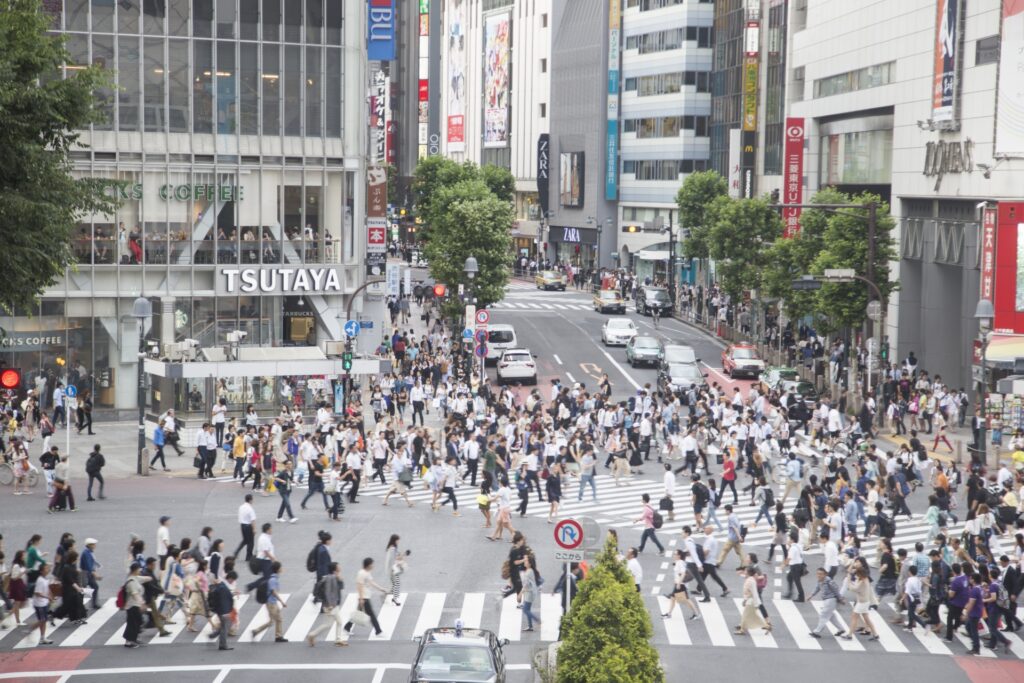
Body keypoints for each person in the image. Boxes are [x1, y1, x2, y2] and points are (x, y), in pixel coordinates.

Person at [343, 557, 388, 636]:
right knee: (371, 614)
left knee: (358, 614)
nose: (373, 566)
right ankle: (378, 631)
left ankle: (347, 628)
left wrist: (381, 589)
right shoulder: (362, 573)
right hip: (364, 597)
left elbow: (371, 583)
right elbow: (359, 586)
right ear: (368, 565)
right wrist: (361, 598)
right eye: (372, 564)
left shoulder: (367, 573)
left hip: (365, 597)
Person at [307, 562, 348, 647]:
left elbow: (340, 588)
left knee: (335, 622)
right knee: (329, 624)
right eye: (338, 566)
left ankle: (337, 639)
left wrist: (340, 579)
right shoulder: (331, 578)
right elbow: (328, 592)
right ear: (335, 569)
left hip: (332, 604)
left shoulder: (334, 577)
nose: (340, 567)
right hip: (331, 605)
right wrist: (330, 605)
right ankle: (312, 635)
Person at [250, 561, 288, 642]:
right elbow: (273, 592)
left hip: (273, 603)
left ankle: (278, 636)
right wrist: (282, 602)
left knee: (278, 619)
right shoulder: (273, 580)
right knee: (273, 621)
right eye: (281, 567)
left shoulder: (274, 578)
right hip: (271, 603)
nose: (282, 569)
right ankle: (276, 636)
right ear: (278, 569)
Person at [808, 567, 844, 638]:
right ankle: (841, 629)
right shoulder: (819, 581)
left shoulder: (829, 581)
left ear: (825, 575)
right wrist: (811, 595)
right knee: (831, 617)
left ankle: (816, 631)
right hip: (826, 600)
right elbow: (817, 588)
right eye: (818, 574)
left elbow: (836, 590)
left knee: (823, 615)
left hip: (831, 600)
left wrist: (840, 599)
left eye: (821, 574)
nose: (819, 575)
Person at [735, 566, 771, 636]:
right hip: (751, 601)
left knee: (745, 616)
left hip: (751, 601)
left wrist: (745, 600)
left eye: (745, 571)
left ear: (748, 573)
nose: (744, 571)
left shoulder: (750, 581)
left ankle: (742, 630)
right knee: (752, 616)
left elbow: (753, 593)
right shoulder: (750, 579)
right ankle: (767, 626)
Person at [121, 561, 149, 648]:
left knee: (138, 622)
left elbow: (144, 579)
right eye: (139, 569)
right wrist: (142, 603)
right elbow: (135, 594)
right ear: (135, 570)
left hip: (135, 605)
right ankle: (128, 641)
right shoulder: (131, 581)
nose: (140, 570)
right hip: (132, 606)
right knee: (133, 623)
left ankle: (134, 638)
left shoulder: (135, 578)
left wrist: (151, 578)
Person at [207, 570, 236, 650]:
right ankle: (222, 644)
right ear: (230, 578)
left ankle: (214, 635)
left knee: (225, 625)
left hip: (220, 609)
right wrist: (225, 612)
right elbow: (224, 601)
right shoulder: (223, 587)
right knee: (226, 625)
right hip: (223, 610)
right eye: (233, 580)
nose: (232, 582)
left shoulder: (222, 585)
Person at [30, 562, 54, 645]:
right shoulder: (40, 580)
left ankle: (42, 637)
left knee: (44, 620)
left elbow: (47, 588)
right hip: (39, 604)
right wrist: (48, 597)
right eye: (46, 569)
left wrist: (51, 595)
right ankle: (31, 629)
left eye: (48, 568)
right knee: (43, 620)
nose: (48, 570)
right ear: (41, 571)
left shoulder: (45, 578)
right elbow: (37, 593)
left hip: (43, 603)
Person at [520, 554, 542, 632]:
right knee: (527, 609)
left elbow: (526, 585)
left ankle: (537, 620)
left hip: (529, 593)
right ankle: (530, 626)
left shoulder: (529, 572)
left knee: (525, 610)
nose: (524, 562)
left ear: (529, 563)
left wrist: (520, 594)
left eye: (526, 561)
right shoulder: (530, 570)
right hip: (530, 592)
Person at [80, 538, 102, 610]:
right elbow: (88, 566)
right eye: (93, 544)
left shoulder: (89, 552)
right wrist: (95, 574)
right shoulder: (86, 553)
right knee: (83, 590)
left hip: (89, 573)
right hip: (85, 574)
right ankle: (81, 605)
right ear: (89, 545)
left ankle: (94, 603)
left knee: (95, 587)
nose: (95, 545)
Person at [384, 535, 406, 606]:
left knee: (394, 585)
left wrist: (404, 554)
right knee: (397, 584)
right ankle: (395, 599)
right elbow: (392, 560)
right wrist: (393, 568)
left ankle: (385, 594)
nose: (399, 542)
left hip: (393, 569)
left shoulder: (393, 548)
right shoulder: (392, 549)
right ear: (395, 540)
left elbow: (397, 556)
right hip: (393, 569)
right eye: (398, 540)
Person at [234, 494, 257, 561]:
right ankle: (248, 556)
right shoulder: (250, 508)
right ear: (250, 500)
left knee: (245, 540)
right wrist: (254, 529)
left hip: (242, 525)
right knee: (251, 542)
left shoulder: (241, 507)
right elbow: (253, 520)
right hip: (248, 526)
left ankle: (237, 551)